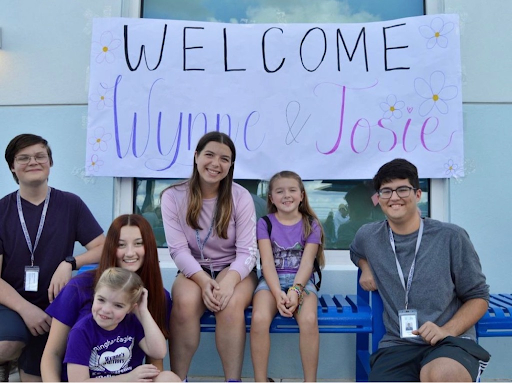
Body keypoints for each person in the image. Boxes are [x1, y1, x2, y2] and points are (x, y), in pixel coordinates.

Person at [350, 158, 490, 382]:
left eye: (402, 189)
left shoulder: (451, 237)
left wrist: (447, 330)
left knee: (441, 375)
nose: (394, 197)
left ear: (417, 194)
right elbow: (355, 251)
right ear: (378, 199)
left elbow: (478, 297)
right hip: (397, 344)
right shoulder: (368, 236)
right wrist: (365, 267)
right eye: (386, 191)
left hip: (449, 342)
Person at [0, 134, 105, 381]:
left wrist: (70, 262)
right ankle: (11, 358)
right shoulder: (2, 210)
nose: (33, 162)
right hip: (12, 304)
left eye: (40, 156)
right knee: (5, 345)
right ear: (12, 167)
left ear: (50, 162)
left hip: (57, 306)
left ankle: (24, 363)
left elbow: (103, 246)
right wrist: (25, 309)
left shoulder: (70, 204)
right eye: (23, 158)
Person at [161, 131, 258, 382]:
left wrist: (228, 282)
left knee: (230, 304)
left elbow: (247, 252)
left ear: (231, 165)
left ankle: (232, 380)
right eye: (209, 155)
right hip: (194, 269)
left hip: (234, 268)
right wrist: (204, 281)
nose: (216, 164)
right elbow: (178, 250)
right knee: (183, 304)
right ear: (196, 157)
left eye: (224, 159)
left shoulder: (240, 196)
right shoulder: (173, 196)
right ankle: (178, 378)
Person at [41, 214, 172, 381]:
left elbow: (156, 359)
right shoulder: (79, 287)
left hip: (130, 378)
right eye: (121, 245)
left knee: (168, 378)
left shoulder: (155, 295)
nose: (130, 252)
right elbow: (52, 354)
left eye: (138, 243)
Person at [250, 170, 325, 382]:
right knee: (259, 318)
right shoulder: (265, 223)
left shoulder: (312, 224)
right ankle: (260, 379)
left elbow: (307, 263)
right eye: (280, 191)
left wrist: (295, 290)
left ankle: (310, 380)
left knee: (309, 320)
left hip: (302, 283)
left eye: (292, 190)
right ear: (271, 198)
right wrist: (277, 293)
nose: (286, 195)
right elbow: (266, 264)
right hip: (270, 282)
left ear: (302, 195)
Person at [64, 267, 180, 382]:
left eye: (118, 305)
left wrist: (143, 312)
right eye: (101, 300)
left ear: (130, 308)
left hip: (132, 380)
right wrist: (127, 378)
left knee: (169, 378)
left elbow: (159, 352)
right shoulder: (81, 332)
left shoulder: (131, 321)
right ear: (94, 296)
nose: (106, 310)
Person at [336, 183, 374, 249]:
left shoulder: (346, 229)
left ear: (352, 208)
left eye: (348, 206)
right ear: (370, 207)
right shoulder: (385, 227)